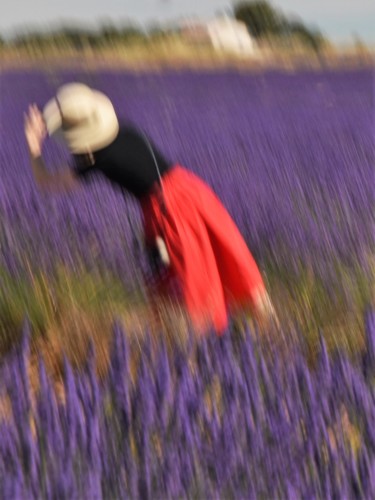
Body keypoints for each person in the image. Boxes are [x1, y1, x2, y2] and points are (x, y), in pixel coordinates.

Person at [24, 82, 278, 336]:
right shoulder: (126, 131)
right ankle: (271, 334)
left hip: (169, 210)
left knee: (188, 282)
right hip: (191, 189)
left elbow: (47, 184)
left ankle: (198, 348)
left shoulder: (97, 158)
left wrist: (34, 148)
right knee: (229, 255)